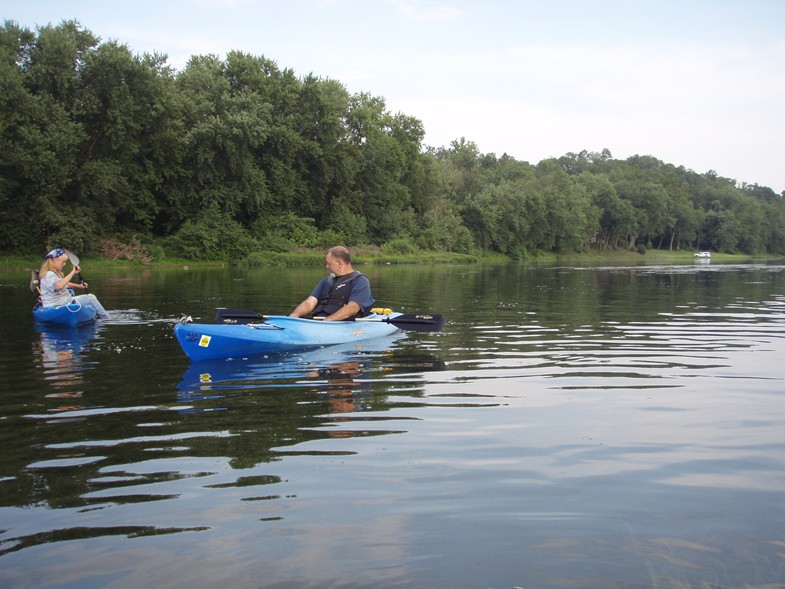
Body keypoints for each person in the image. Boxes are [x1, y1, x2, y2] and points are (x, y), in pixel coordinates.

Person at [289, 246, 374, 321]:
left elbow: (353, 307)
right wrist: (295, 315)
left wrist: (328, 320)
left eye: (329, 263)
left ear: (339, 263)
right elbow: (310, 303)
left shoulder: (360, 281)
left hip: (338, 322)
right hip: (321, 321)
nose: (327, 266)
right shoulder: (326, 281)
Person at [37, 248, 111, 319]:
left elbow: (64, 283)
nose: (64, 264)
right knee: (91, 298)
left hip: (58, 302)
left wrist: (79, 286)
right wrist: (72, 272)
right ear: (54, 260)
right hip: (58, 303)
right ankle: (106, 318)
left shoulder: (51, 273)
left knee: (89, 298)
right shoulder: (49, 274)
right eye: (63, 261)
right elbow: (59, 286)